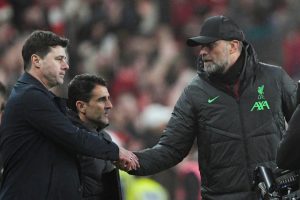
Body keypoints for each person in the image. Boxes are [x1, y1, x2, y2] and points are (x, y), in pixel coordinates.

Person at [126, 15, 297, 200]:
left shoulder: (274, 79)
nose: (202, 52)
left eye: (210, 46)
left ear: (233, 46)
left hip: (274, 195)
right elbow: (170, 150)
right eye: (202, 47)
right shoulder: (195, 93)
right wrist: (129, 160)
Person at [0, 30, 138, 200]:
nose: (65, 65)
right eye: (59, 59)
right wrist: (115, 151)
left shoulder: (41, 97)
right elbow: (73, 137)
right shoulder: (30, 97)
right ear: (36, 61)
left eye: (65, 59)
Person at [67, 73, 122, 200]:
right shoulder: (60, 138)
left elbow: (111, 191)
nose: (109, 105)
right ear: (81, 106)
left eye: (108, 98)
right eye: (102, 99)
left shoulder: (105, 139)